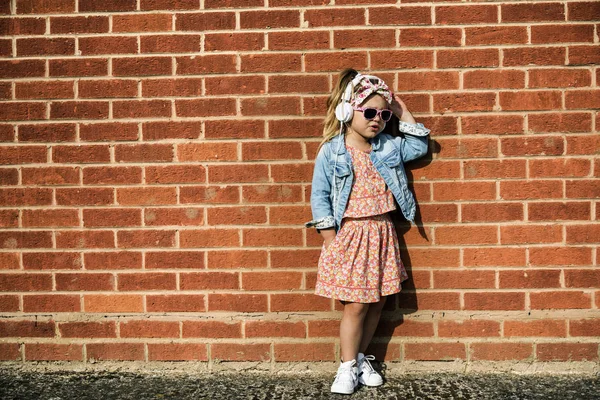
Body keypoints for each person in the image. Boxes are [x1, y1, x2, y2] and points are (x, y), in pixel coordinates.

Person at [305, 69, 430, 395]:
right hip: (352, 236)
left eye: (383, 114)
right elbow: (318, 197)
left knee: (377, 303)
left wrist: (401, 113)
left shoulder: (388, 147)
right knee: (356, 305)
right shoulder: (332, 152)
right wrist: (330, 238)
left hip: (382, 233)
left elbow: (418, 146)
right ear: (347, 112)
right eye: (370, 112)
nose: (377, 119)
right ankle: (345, 367)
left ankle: (361, 358)